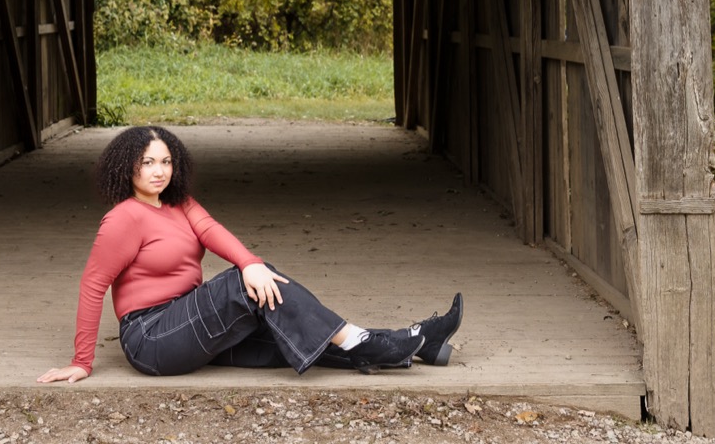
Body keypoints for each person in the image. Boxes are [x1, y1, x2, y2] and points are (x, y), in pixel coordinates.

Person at [38, 125, 463, 383]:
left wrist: (250, 263)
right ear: (127, 167)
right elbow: (93, 285)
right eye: (148, 162)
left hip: (191, 319)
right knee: (253, 283)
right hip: (152, 337)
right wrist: (81, 362)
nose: (159, 171)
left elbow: (212, 231)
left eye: (166, 161)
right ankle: (377, 339)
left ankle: (414, 343)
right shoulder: (123, 219)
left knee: (287, 334)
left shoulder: (180, 203)